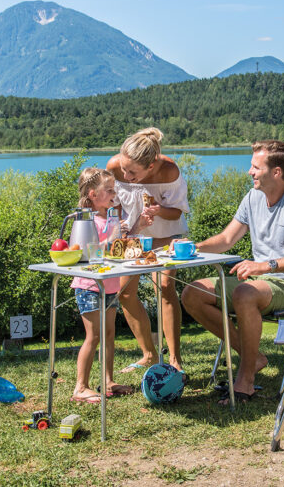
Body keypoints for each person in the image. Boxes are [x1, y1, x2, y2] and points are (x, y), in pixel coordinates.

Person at [182, 140, 284, 402]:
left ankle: (245, 381)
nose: (250, 172)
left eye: (255, 167)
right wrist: (192, 247)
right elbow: (226, 239)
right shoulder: (253, 197)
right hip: (260, 281)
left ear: (276, 172)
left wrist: (266, 265)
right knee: (192, 293)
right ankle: (254, 358)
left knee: (245, 293)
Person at [107, 127, 192, 373]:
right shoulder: (114, 166)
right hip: (133, 236)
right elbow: (113, 203)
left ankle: (174, 359)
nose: (125, 174)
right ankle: (149, 354)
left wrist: (157, 209)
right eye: (123, 168)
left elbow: (177, 211)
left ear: (151, 165)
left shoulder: (169, 170)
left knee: (165, 288)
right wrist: (119, 229)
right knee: (124, 293)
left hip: (166, 235)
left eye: (132, 171)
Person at [69, 167, 149, 403]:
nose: (115, 193)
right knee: (93, 336)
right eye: (110, 190)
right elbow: (93, 251)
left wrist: (137, 228)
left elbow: (119, 251)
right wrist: (116, 237)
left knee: (109, 335)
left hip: (110, 286)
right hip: (89, 285)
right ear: (93, 194)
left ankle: (108, 381)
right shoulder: (86, 220)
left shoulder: (112, 217)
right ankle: (80, 387)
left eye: (115, 189)